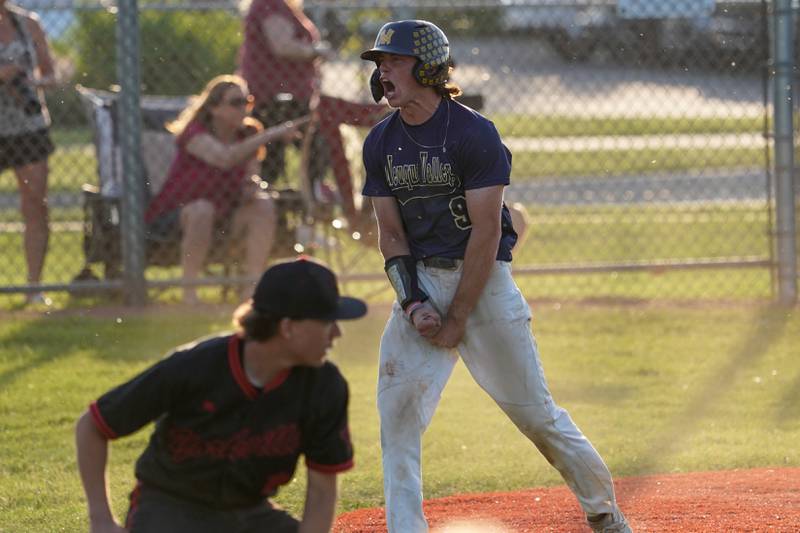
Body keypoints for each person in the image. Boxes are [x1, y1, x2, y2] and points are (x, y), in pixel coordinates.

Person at [359, 20, 632, 533]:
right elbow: (390, 233)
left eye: (393, 60)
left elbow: (484, 234)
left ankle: (605, 514)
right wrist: (413, 301)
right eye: (380, 64)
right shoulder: (380, 143)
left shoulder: (472, 133)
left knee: (536, 416)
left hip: (482, 282)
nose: (383, 71)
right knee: (397, 418)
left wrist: (458, 314)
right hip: (421, 279)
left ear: (428, 69)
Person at [75, 257, 367, 533]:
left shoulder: (325, 385)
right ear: (287, 327)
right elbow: (93, 425)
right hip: (172, 507)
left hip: (249, 513)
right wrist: (100, 519)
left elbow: (322, 489)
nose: (337, 333)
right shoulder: (194, 366)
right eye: (328, 321)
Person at [144, 74, 307, 304]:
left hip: (226, 212)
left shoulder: (249, 133)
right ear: (214, 108)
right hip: (178, 215)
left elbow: (251, 174)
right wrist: (272, 134)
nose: (244, 108)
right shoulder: (194, 133)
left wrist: (252, 186)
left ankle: (252, 290)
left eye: (247, 101)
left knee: (262, 204)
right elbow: (225, 158)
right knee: (202, 210)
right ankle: (189, 291)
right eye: (235, 103)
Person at [238, 0, 388, 229]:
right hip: (279, 101)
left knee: (309, 155)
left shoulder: (285, 7)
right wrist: (317, 50)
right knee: (304, 155)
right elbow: (283, 46)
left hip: (291, 98)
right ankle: (310, 213)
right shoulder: (270, 3)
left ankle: (314, 214)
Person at [0, 0, 57, 306]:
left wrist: (32, 81)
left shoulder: (27, 23)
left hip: (28, 125)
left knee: (35, 204)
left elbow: (51, 73)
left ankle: (34, 288)